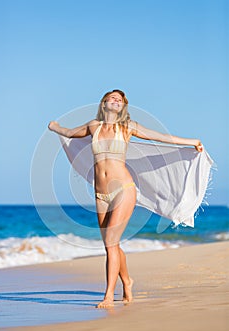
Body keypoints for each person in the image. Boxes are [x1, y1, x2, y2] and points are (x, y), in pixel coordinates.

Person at [48, 89, 203, 308]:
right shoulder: (94, 126)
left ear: (123, 106)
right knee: (110, 244)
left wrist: (191, 141)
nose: (115, 100)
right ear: (104, 104)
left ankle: (109, 296)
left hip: (124, 189)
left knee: (111, 243)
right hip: (100, 194)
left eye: (119, 100)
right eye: (112, 98)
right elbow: (70, 132)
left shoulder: (128, 127)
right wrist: (55, 127)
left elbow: (161, 138)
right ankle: (127, 280)